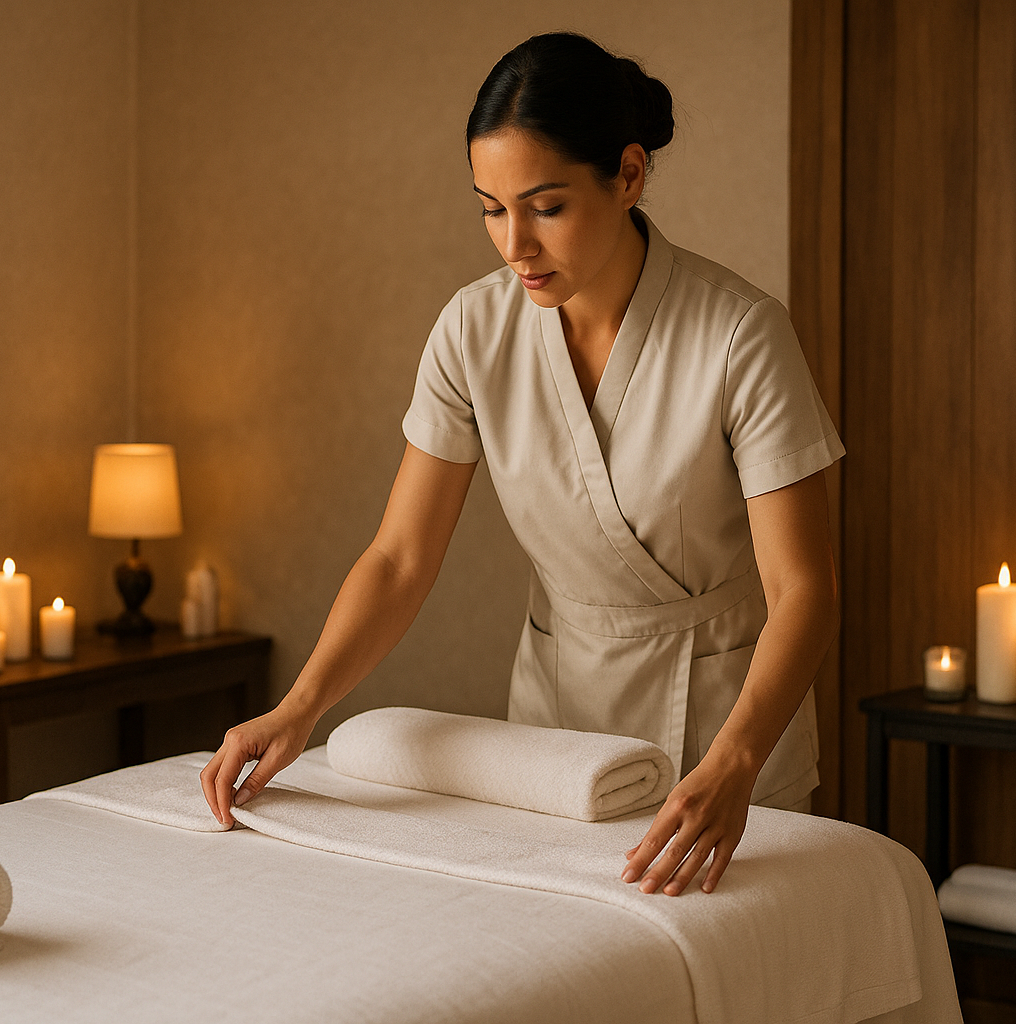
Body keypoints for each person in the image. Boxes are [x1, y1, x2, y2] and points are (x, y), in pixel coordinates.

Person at [201, 32, 842, 898]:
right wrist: (301, 706)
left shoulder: (740, 334)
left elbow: (804, 587)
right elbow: (399, 557)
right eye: (491, 209)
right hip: (555, 746)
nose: (515, 244)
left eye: (545, 206)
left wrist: (735, 762)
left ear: (628, 176)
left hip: (728, 738)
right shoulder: (473, 332)